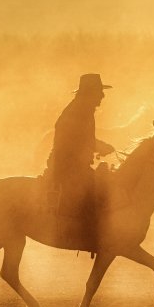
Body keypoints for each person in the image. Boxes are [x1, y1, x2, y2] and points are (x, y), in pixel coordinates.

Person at [44, 73, 115, 244]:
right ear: (90, 93)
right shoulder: (79, 112)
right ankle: (89, 235)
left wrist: (98, 147)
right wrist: (100, 147)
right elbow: (76, 141)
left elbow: (82, 140)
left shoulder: (81, 109)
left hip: (69, 164)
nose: (102, 96)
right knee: (96, 191)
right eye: (99, 92)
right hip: (67, 167)